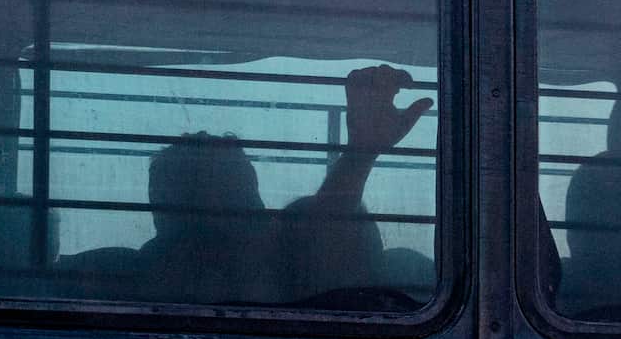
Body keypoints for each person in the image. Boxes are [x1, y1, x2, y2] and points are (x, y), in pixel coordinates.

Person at [139, 64, 432, 306]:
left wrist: (362, 152)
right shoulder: (139, 281)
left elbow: (324, 220)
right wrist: (362, 151)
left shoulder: (122, 288)